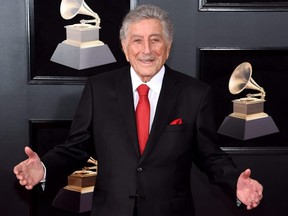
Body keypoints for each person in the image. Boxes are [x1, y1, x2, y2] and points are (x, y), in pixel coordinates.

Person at [14, 4, 263, 216]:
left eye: (155, 40)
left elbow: (210, 155)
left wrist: (235, 183)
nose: (146, 50)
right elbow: (76, 147)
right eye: (137, 40)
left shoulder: (195, 93)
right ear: (124, 47)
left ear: (167, 46)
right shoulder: (98, 88)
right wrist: (44, 167)